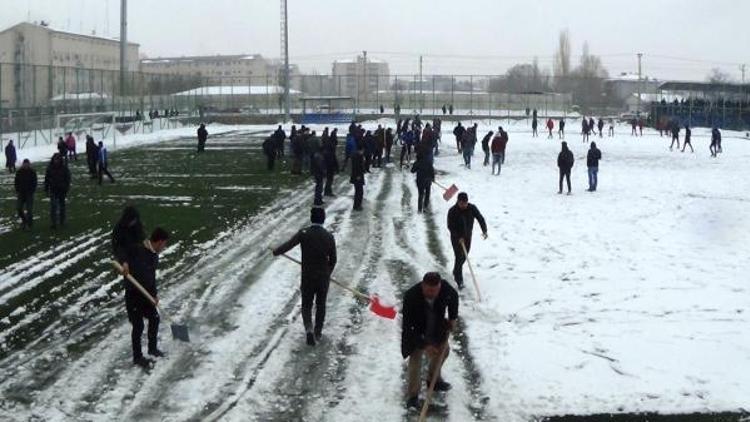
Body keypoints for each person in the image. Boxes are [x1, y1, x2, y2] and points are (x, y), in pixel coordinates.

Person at [273, 207, 336, 346]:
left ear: (311, 218)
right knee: (321, 305)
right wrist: (327, 273)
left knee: (307, 304)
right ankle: (318, 332)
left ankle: (308, 329)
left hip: (307, 276)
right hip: (322, 278)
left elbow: (288, 245)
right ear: (323, 219)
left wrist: (276, 251)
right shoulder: (329, 237)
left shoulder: (304, 233)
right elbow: (333, 260)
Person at [401, 272, 458, 409]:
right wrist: (424, 345)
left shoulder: (445, 288)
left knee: (444, 352)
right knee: (416, 362)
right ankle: (413, 395)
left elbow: (454, 298)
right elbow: (408, 327)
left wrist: (452, 317)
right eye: (428, 290)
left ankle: (434, 380)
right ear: (422, 285)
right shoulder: (410, 296)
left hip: (436, 327)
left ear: (439, 286)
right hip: (417, 331)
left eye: (435, 290)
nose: (432, 293)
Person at [118, 226, 170, 368]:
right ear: (159, 242)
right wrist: (124, 263)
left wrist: (154, 295)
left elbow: (151, 277)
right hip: (133, 294)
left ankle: (152, 349)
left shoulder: (154, 255)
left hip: (146, 294)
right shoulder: (137, 249)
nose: (164, 247)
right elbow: (121, 250)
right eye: (164, 244)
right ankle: (137, 357)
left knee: (154, 318)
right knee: (138, 325)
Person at [447, 192, 487, 289]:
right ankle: (459, 280)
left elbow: (480, 218)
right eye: (461, 203)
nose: (463, 205)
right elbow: (450, 226)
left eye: (465, 203)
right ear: (458, 201)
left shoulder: (472, 208)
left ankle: (456, 270)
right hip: (456, 238)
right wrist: (458, 237)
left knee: (465, 255)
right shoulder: (452, 211)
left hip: (468, 236)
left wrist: (484, 230)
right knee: (459, 256)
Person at [44, 153, 71, 229]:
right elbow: (47, 179)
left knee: (62, 206)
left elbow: (68, 178)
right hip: (53, 189)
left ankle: (62, 220)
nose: (56, 161)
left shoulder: (64, 168)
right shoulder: (50, 168)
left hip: (62, 190)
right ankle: (53, 223)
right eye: (55, 159)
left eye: (58, 159)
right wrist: (46, 189)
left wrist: (66, 187)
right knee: (53, 206)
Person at [14, 159, 37, 229]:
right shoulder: (19, 172)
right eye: (25, 164)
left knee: (29, 210)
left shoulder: (32, 172)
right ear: (23, 164)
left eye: (27, 164)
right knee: (19, 208)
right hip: (21, 193)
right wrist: (17, 189)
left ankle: (29, 224)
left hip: (29, 193)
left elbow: (34, 182)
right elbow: (16, 181)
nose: (26, 165)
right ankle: (24, 220)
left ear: (29, 164)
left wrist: (32, 190)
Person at [350, 143, 365, 211]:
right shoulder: (358, 156)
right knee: (359, 192)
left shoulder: (355, 155)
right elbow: (357, 167)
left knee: (358, 191)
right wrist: (358, 176)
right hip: (358, 176)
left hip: (356, 176)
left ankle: (357, 205)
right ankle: (357, 206)